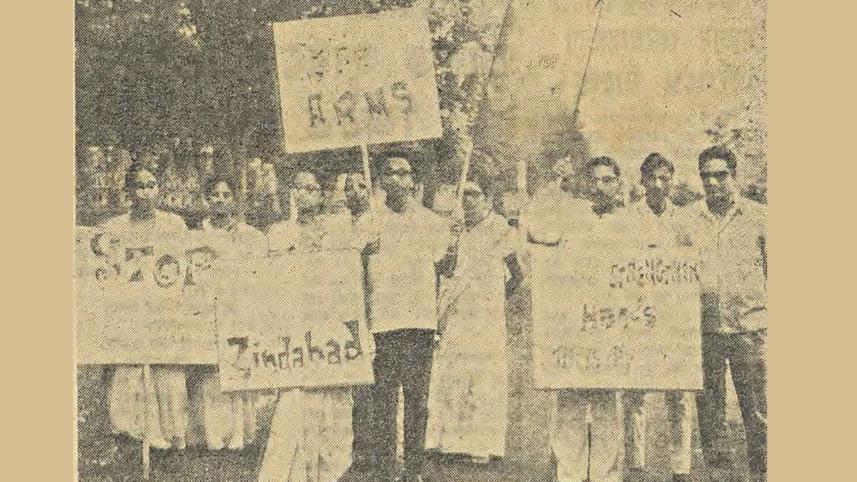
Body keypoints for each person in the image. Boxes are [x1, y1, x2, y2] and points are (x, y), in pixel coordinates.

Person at [365, 155, 461, 482]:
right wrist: (365, 250)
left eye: (403, 173)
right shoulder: (369, 221)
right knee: (384, 401)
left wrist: (454, 246)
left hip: (419, 323)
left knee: (417, 400)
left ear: (412, 181)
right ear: (381, 180)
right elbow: (352, 271)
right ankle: (386, 468)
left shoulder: (432, 222)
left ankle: (414, 470)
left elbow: (445, 269)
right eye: (390, 173)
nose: (396, 179)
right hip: (383, 323)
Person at [532, 156, 628, 482]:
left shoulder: (631, 224)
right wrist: (554, 186)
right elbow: (534, 230)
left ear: (617, 184)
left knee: (606, 407)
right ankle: (569, 474)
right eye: (595, 180)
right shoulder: (571, 217)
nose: (600, 187)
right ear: (586, 184)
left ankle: (604, 475)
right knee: (570, 404)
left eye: (608, 180)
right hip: (574, 326)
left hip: (611, 327)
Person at [259, 171, 355, 482]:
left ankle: (329, 469)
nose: (304, 194)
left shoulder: (339, 233)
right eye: (298, 188)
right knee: (295, 397)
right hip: (294, 323)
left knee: (331, 397)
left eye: (311, 188)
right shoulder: (278, 233)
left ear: (321, 195)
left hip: (328, 322)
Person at [426, 180, 523, 462]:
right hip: (456, 313)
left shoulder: (501, 230)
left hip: (486, 316)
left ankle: (482, 444)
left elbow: (517, 275)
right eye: (462, 194)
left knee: (484, 376)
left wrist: (493, 299)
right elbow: (442, 269)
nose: (467, 200)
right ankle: (446, 442)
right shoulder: (452, 230)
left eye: (474, 194)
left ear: (488, 198)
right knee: (451, 372)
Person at [101, 161, 190, 450]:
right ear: (129, 192)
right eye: (140, 186)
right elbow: (104, 268)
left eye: (152, 185)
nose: (147, 191)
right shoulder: (114, 228)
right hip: (129, 310)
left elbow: (183, 267)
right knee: (130, 366)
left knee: (165, 368)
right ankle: (131, 429)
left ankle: (169, 430)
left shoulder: (173, 224)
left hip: (163, 309)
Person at [693, 146, 767, 482]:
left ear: (734, 177)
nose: (713, 183)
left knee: (760, 415)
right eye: (706, 176)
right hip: (705, 333)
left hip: (748, 331)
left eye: (720, 175)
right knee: (711, 419)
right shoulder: (688, 220)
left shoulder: (760, 217)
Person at [623, 153, 697, 482]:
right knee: (634, 390)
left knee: (679, 392)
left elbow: (692, 267)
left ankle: (680, 467)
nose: (657, 184)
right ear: (641, 181)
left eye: (664, 178)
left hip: (673, 317)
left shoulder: (685, 221)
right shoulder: (626, 219)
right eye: (651, 177)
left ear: (672, 181)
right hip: (637, 314)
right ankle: (636, 464)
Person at [186, 176, 263, 450]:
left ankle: (238, 434)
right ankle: (212, 434)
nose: (220, 200)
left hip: (236, 308)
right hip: (206, 310)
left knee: (238, 366)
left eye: (225, 195)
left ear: (233, 199)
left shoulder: (248, 235)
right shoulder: (195, 235)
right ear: (207, 200)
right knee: (209, 373)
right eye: (215, 195)